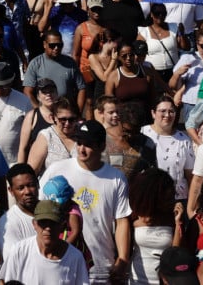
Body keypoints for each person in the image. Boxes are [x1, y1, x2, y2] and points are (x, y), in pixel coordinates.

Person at [41, 120, 131, 285]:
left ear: (102, 146)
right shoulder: (57, 170)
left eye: (88, 144)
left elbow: (122, 220)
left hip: (101, 266)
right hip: (61, 262)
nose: (81, 149)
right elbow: (41, 212)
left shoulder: (116, 178)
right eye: (79, 143)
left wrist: (123, 258)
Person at [0, 196, 90, 285]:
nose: (48, 228)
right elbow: (4, 282)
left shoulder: (75, 257)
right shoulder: (19, 251)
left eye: (53, 223)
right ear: (34, 224)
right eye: (43, 223)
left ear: (62, 226)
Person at [128, 169, 182, 285]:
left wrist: (178, 224)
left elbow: (175, 253)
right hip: (137, 280)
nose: (170, 200)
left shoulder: (171, 218)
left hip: (165, 280)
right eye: (166, 197)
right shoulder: (133, 216)